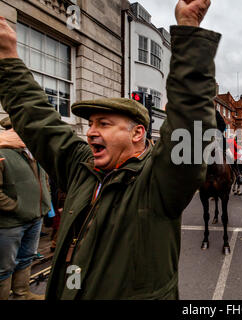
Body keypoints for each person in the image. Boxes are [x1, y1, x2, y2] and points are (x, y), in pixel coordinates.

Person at [0, 0, 218, 299]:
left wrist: (189, 34)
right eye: (90, 123)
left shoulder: (159, 182)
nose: (90, 132)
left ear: (138, 133)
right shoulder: (81, 167)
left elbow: (191, 127)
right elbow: (40, 121)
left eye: (103, 123)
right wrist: (8, 59)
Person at [0, 118, 52, 300]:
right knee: (4, 266)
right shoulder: (2, 152)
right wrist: (15, 206)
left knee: (26, 257)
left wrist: (45, 203)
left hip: (35, 217)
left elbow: (43, 181)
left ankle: (22, 293)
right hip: (9, 223)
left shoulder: (33, 152)